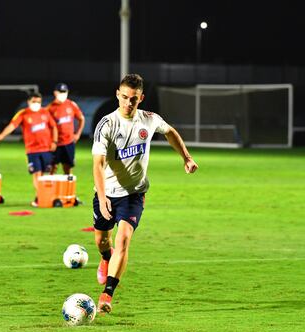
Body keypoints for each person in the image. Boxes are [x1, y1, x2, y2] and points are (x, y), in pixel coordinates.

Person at [92, 74, 198, 314]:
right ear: (118, 95)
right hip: (106, 192)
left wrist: (187, 158)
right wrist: (101, 196)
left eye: (134, 99)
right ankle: (105, 258)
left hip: (134, 194)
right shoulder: (106, 125)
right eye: (125, 97)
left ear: (141, 98)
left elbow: (170, 132)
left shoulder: (149, 120)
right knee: (102, 240)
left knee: (124, 238)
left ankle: (107, 293)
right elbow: (97, 164)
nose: (128, 103)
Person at [0, 92, 58, 207]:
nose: (36, 104)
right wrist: (2, 135)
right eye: (34, 101)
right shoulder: (23, 113)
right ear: (28, 102)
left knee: (45, 175)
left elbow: (53, 127)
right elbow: (12, 125)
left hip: (46, 149)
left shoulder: (45, 112)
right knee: (37, 175)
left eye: (38, 101)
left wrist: (54, 141)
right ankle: (42, 198)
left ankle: (42, 197)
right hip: (32, 150)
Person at [47, 83, 85, 175]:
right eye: (60, 92)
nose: (62, 94)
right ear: (55, 93)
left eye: (64, 92)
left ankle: (70, 188)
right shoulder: (50, 108)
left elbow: (81, 119)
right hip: (56, 143)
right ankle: (50, 188)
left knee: (68, 168)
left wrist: (78, 134)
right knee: (53, 168)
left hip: (68, 143)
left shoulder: (71, 105)